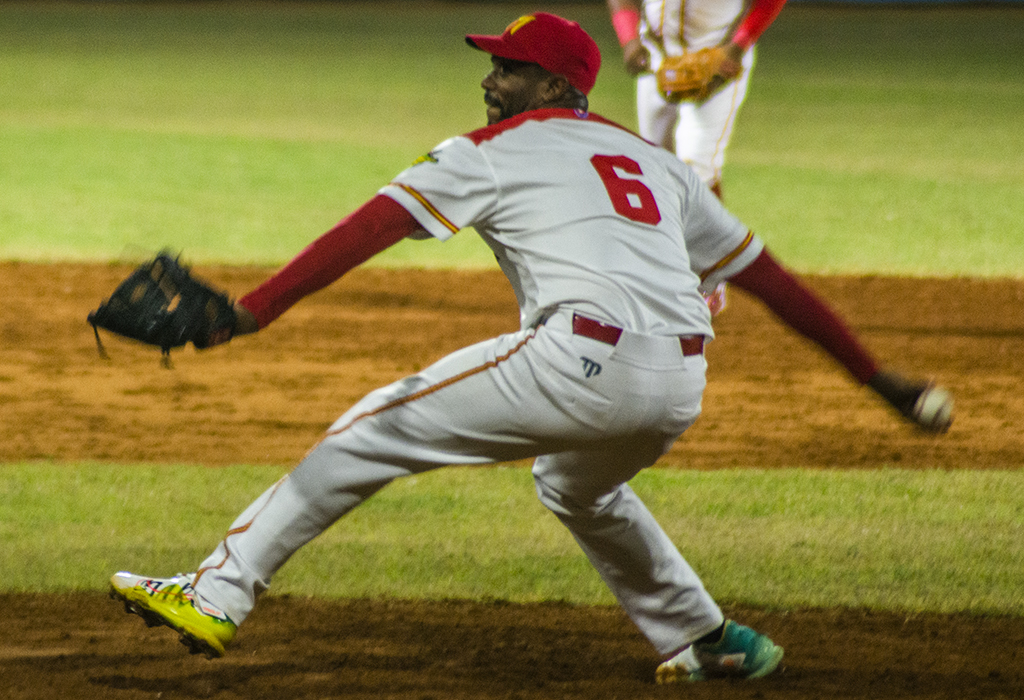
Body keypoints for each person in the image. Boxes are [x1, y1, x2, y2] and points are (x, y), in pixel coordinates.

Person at [109, 12, 951, 685]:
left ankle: (216, 595)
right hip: (679, 386)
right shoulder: (659, 164)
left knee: (371, 427)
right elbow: (773, 283)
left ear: (552, 83)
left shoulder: (486, 152)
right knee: (577, 486)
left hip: (578, 365)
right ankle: (709, 638)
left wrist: (253, 312)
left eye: (507, 68)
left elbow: (372, 227)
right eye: (491, 63)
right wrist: (880, 381)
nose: (488, 79)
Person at [607, 0, 788, 315]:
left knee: (697, 169)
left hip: (718, 61)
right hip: (656, 63)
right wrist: (629, 38)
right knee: (656, 174)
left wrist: (738, 47)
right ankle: (663, 274)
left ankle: (709, 281)